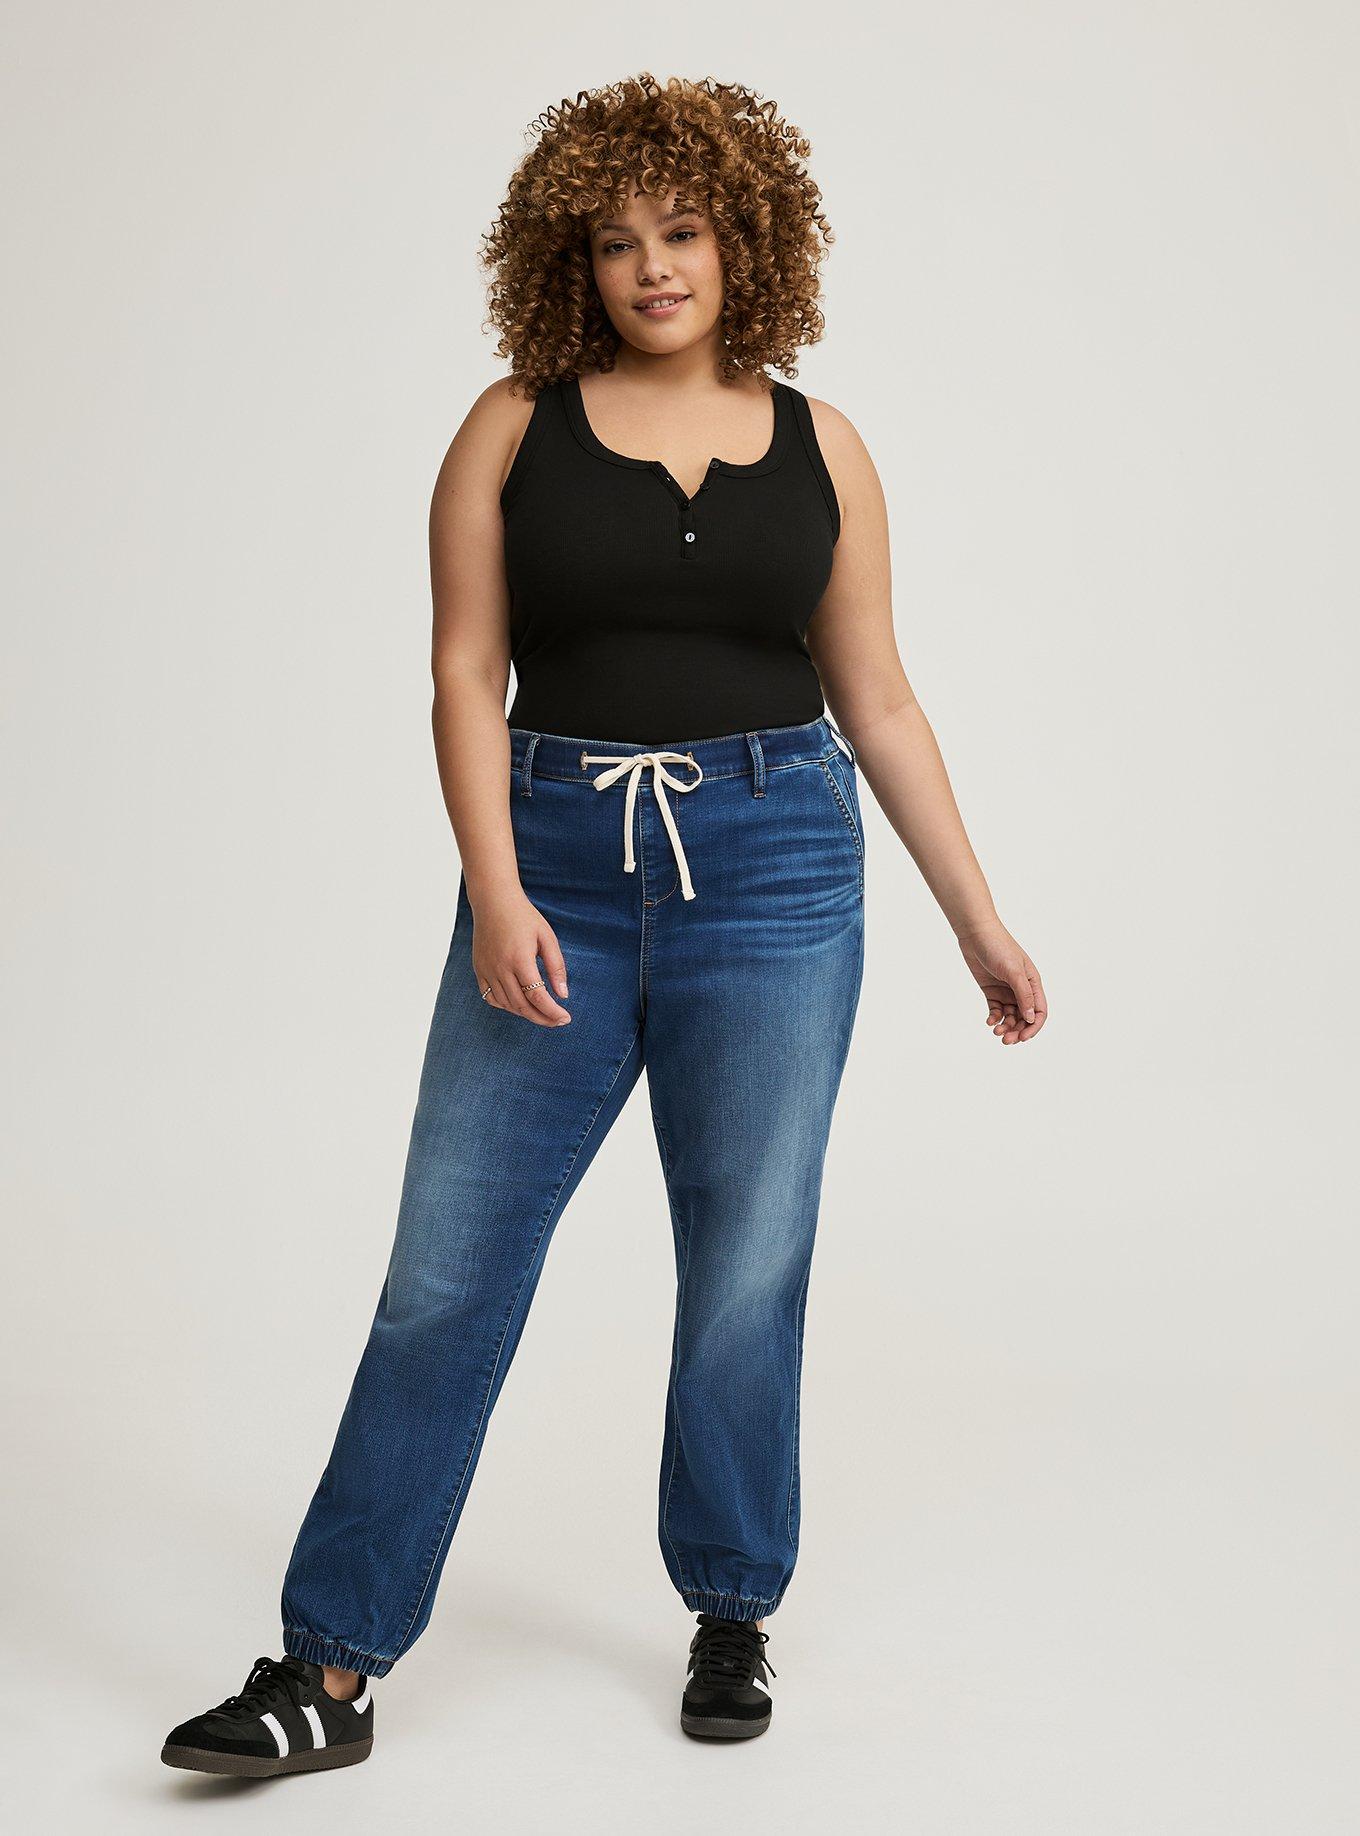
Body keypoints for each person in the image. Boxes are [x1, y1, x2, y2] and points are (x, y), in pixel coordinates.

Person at [160, 71, 1047, 1777]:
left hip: (778, 872)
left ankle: (732, 1606)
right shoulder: (512, 424)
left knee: (747, 1265)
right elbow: (461, 673)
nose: (655, 266)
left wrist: (977, 921)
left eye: (685, 230)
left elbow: (877, 697)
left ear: (745, 240)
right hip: (557, 864)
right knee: (447, 1272)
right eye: (619, 239)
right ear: (571, 259)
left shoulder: (826, 448)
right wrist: (496, 887)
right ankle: (328, 1670)